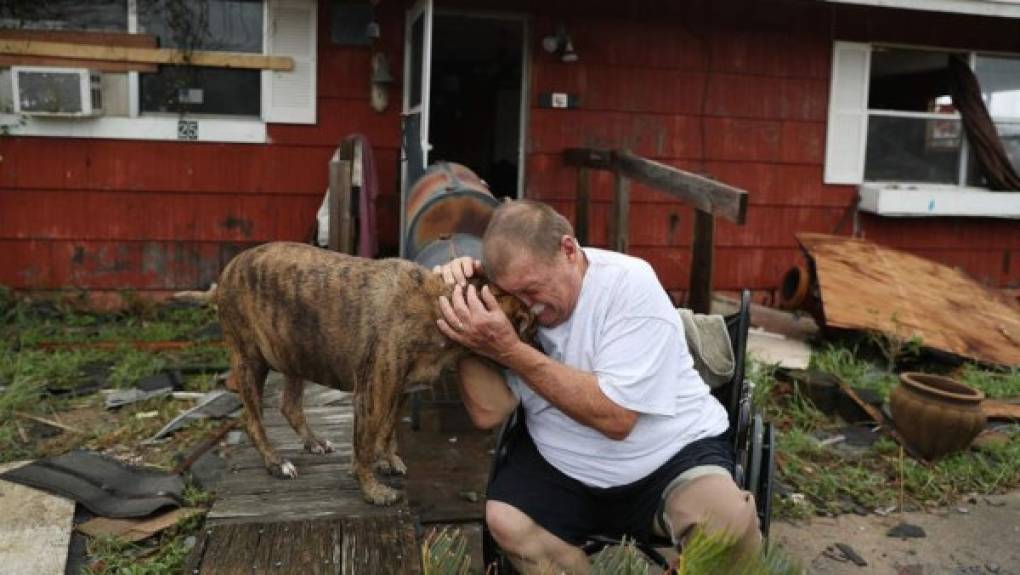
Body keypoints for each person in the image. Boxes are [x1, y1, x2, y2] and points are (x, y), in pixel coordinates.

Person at [435, 199, 760, 573]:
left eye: (534, 289)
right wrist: (463, 312)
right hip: (562, 463)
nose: (527, 308)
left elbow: (616, 418)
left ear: (569, 250)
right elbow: (489, 411)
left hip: (668, 454)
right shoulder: (504, 302)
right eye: (515, 295)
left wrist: (509, 350)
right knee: (507, 519)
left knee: (730, 523)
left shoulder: (628, 284)